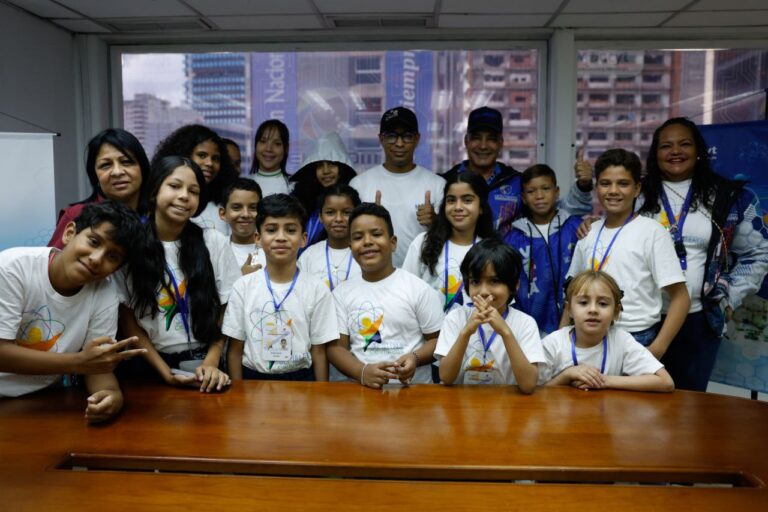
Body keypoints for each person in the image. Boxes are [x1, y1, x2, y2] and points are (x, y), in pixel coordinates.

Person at [638, 117, 768, 391]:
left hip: (698, 321)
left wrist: (729, 299)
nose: (675, 151)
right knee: (638, 404)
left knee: (689, 405)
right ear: (655, 153)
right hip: (641, 319)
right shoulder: (636, 194)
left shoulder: (728, 196)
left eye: (684, 144)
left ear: (699, 151)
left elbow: (758, 253)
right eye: (666, 146)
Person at [1, 201, 147, 422]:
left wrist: (112, 396)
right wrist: (78, 362)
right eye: (94, 242)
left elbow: (97, 366)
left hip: (44, 402)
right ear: (70, 233)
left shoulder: (105, 293)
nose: (97, 259)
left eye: (113, 257)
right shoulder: (13, 267)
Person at [118, 156, 239, 392]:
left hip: (208, 363)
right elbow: (128, 322)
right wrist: (165, 373)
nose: (184, 196)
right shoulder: (129, 247)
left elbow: (227, 308)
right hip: (150, 365)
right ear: (154, 191)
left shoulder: (213, 241)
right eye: (174, 186)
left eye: (193, 191)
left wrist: (212, 362)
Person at [565, 149, 690, 359]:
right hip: (587, 335)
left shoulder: (652, 232)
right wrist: (563, 335)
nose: (613, 190)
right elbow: (571, 290)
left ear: (637, 188)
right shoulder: (588, 232)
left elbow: (681, 297)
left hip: (636, 337)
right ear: (596, 188)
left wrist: (657, 349)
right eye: (605, 183)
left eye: (623, 183)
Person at [328, 203, 444, 388]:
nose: (367, 242)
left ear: (393, 242)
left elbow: (438, 340)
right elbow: (335, 348)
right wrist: (362, 372)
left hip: (414, 393)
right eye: (358, 237)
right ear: (351, 248)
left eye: (376, 234)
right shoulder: (341, 293)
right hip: (364, 394)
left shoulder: (417, 288)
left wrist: (415, 358)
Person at [223, 194, 338, 381]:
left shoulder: (317, 289)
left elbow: (319, 352)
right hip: (252, 379)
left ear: (303, 239)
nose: (281, 237)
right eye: (271, 230)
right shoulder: (243, 286)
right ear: (258, 238)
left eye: (291, 230)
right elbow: (235, 351)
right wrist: (238, 393)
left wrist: (320, 395)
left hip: (301, 379)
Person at [441, 107, 593, 239]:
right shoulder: (445, 182)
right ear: (466, 141)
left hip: (506, 268)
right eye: (476, 138)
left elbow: (558, 214)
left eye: (491, 139)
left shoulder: (516, 182)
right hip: (456, 266)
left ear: (501, 143)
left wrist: (583, 186)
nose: (483, 145)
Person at [435, 239, 542, 391]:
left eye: (494, 281)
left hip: (509, 407)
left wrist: (505, 332)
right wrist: (466, 332)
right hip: (461, 406)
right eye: (476, 281)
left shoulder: (525, 323)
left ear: (515, 286)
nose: (484, 291)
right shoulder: (456, 318)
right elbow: (445, 377)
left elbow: (528, 385)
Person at [542, 270, 674, 392]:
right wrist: (566, 376)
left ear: (616, 312)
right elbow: (536, 392)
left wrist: (604, 380)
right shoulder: (553, 344)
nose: (593, 310)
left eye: (603, 304)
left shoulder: (621, 340)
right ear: (569, 309)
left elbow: (665, 382)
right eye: (583, 302)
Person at [349, 107, 445, 267]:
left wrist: (436, 222)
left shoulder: (437, 185)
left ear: (417, 138)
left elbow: (452, 239)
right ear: (381, 138)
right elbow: (349, 237)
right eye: (392, 136)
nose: (399, 143)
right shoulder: (359, 185)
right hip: (372, 279)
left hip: (422, 280)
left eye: (407, 136)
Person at [505, 164, 583, 335]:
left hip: (575, 322)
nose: (539, 196)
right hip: (530, 326)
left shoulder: (575, 227)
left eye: (545, 189)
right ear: (523, 198)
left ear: (557, 192)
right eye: (531, 191)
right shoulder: (513, 238)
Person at [402, 171, 496, 312]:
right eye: (451, 200)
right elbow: (405, 293)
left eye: (467, 200)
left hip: (477, 331)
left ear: (481, 207)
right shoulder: (424, 243)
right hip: (431, 332)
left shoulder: (492, 250)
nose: (458, 207)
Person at [48, 128, 150, 249]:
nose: (117, 172)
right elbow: (52, 265)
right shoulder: (77, 215)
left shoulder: (157, 215)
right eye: (105, 165)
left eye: (126, 162)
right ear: (95, 176)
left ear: (142, 168)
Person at [152, 124, 238, 234]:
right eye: (202, 155)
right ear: (184, 155)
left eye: (215, 158)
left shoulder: (224, 204)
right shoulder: (163, 202)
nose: (209, 163)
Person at [290, 133, 357, 247]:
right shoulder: (301, 202)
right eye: (320, 165)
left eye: (331, 164)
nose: (326, 171)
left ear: (342, 168)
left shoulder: (352, 200)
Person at [298, 184, 362, 291]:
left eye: (346, 212)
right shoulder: (309, 256)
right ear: (320, 216)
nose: (338, 219)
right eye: (330, 212)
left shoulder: (365, 252)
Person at [218, 178, 265, 275]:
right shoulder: (216, 251)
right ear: (223, 214)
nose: (245, 214)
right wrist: (241, 276)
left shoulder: (272, 249)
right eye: (236, 208)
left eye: (253, 208)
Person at [248, 119, 292, 197]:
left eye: (277, 144)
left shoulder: (293, 186)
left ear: (286, 149)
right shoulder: (244, 185)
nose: (268, 149)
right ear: (255, 145)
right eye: (263, 141)